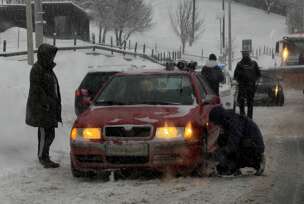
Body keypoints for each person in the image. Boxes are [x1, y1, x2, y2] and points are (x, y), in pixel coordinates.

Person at [26, 43, 62, 168]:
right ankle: (42, 157)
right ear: (44, 56)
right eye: (51, 56)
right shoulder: (37, 69)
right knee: (44, 134)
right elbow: (37, 89)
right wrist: (45, 103)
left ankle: (45, 155)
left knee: (50, 134)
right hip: (42, 109)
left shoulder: (48, 69)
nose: (52, 58)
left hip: (50, 108)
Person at [209, 106, 265, 176]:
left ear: (220, 119)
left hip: (254, 147)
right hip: (245, 143)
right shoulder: (227, 121)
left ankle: (257, 162)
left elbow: (234, 143)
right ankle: (232, 165)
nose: (215, 125)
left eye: (216, 122)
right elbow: (223, 140)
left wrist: (222, 152)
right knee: (223, 145)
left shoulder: (235, 122)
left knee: (237, 148)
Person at [234, 50, 261, 119]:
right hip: (251, 87)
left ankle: (242, 116)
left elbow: (235, 76)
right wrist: (254, 80)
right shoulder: (254, 64)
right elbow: (259, 75)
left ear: (242, 55)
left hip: (242, 87)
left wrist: (240, 80)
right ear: (249, 55)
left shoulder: (239, 64)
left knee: (241, 102)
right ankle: (249, 118)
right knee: (250, 103)